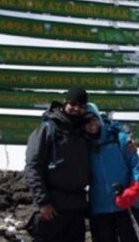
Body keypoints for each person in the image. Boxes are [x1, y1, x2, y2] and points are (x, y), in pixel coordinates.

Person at [24, 86, 90, 242]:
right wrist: (43, 202)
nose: (76, 109)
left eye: (81, 106)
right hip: (52, 207)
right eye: (73, 104)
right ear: (65, 103)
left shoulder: (83, 132)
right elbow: (33, 166)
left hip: (76, 208)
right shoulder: (47, 128)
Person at [83, 103, 139, 242]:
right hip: (100, 209)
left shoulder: (119, 138)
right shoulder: (83, 145)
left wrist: (134, 190)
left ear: (98, 118)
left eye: (93, 119)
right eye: (85, 121)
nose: (90, 124)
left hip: (127, 204)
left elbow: (136, 166)